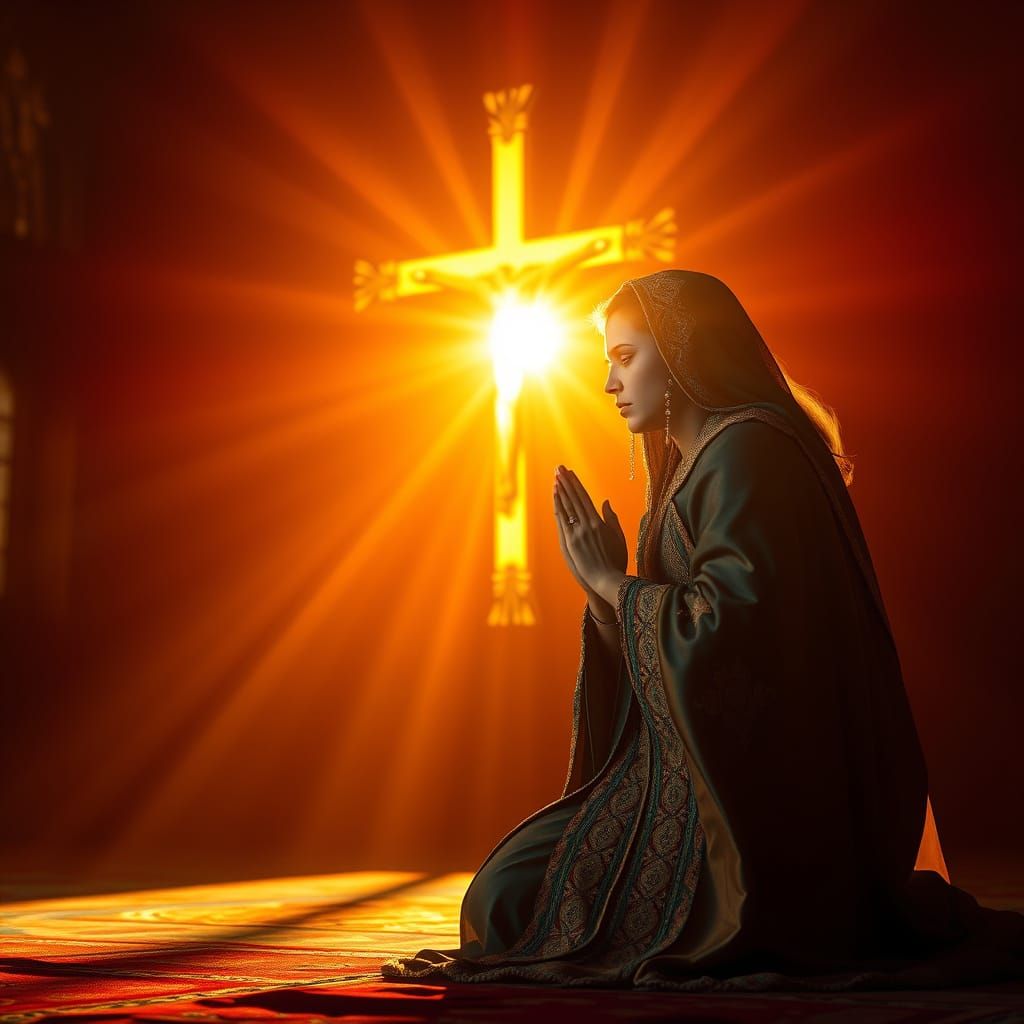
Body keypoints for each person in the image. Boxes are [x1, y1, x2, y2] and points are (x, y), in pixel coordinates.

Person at [381, 269, 1024, 990]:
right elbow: (678, 625)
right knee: (504, 898)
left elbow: (735, 633)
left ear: (686, 352)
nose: (608, 383)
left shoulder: (749, 452)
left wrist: (610, 585)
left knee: (509, 903)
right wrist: (608, 600)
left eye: (626, 357)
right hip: (687, 777)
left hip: (757, 803)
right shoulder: (689, 467)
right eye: (606, 360)